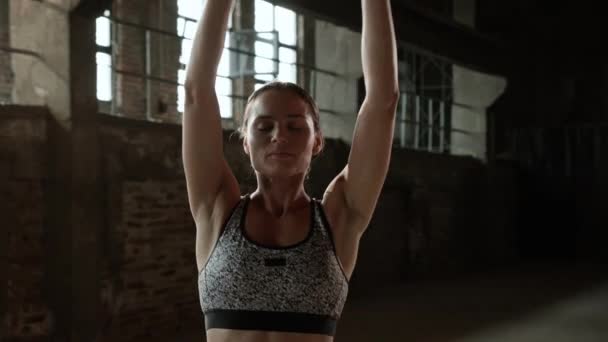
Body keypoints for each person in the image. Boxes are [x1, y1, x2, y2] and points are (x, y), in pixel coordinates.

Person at [182, 0, 399, 341]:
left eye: (295, 127)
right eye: (264, 126)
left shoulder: (341, 216)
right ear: (245, 142)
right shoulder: (216, 208)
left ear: (316, 142)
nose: (279, 136)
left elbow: (383, 101)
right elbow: (197, 92)